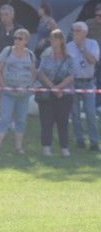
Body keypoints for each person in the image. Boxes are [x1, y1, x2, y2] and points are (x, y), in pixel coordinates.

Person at [0, 28, 36, 155]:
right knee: (4, 119)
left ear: (26, 41)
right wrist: (4, 86)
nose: (16, 40)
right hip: (8, 94)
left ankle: (19, 148)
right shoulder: (7, 51)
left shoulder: (31, 54)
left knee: (21, 120)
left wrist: (29, 86)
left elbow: (34, 73)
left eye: (20, 38)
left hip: (24, 95)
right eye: (15, 37)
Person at [37, 29, 75, 157]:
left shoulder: (69, 57)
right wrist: (53, 87)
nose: (52, 41)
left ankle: (64, 148)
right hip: (48, 94)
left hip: (64, 95)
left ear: (61, 40)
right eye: (51, 38)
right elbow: (41, 73)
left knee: (63, 121)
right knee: (46, 122)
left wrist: (59, 88)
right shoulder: (46, 55)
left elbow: (71, 76)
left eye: (54, 38)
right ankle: (46, 148)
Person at [0, 5, 24, 123]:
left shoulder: (19, 30)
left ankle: (11, 120)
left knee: (12, 93)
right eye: (2, 15)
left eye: (6, 14)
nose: (4, 17)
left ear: (12, 15)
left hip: (14, 68)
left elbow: (25, 47)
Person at [67, 22, 100, 152]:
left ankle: (94, 142)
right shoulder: (68, 46)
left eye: (78, 30)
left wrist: (82, 48)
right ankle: (79, 140)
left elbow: (93, 60)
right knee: (74, 113)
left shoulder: (93, 44)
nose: (75, 32)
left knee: (90, 113)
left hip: (88, 82)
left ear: (85, 32)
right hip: (73, 82)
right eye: (73, 30)